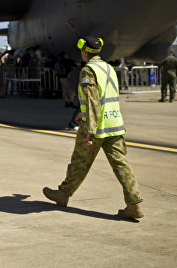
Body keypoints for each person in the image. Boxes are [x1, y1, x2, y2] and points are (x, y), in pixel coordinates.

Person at [43, 36, 143, 220]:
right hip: (114, 124)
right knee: (121, 165)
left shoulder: (88, 71)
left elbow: (92, 100)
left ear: (84, 51)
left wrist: (89, 128)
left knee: (80, 162)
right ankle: (134, 203)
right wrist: (83, 111)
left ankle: (63, 194)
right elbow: (107, 96)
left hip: (96, 126)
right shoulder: (108, 68)